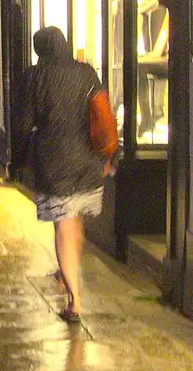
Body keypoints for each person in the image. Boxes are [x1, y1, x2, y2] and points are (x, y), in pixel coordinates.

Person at [13, 26, 116, 324]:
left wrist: (17, 163)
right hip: (87, 162)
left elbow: (22, 126)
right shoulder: (86, 72)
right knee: (76, 222)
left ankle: (75, 301)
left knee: (63, 228)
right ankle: (66, 273)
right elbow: (103, 114)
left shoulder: (34, 78)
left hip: (54, 163)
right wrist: (110, 155)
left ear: (40, 51)